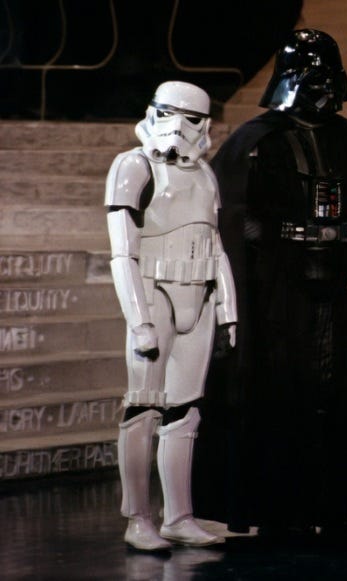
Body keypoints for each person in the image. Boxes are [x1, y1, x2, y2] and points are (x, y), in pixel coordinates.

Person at [192, 29, 347, 537]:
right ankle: (281, 507)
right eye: (314, 79)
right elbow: (233, 216)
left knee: (336, 390)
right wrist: (273, 252)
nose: (323, 91)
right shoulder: (255, 140)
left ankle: (338, 504)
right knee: (282, 393)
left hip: (339, 289)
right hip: (277, 294)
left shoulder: (345, 136)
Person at [105, 80, 238, 551]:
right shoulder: (133, 165)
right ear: (152, 112)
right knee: (143, 407)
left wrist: (228, 308)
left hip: (198, 296)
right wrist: (139, 319)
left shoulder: (204, 174)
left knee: (185, 412)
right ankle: (138, 517)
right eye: (168, 113)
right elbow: (122, 253)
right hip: (153, 292)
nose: (178, 127)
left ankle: (178, 515)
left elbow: (215, 244)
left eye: (191, 118)